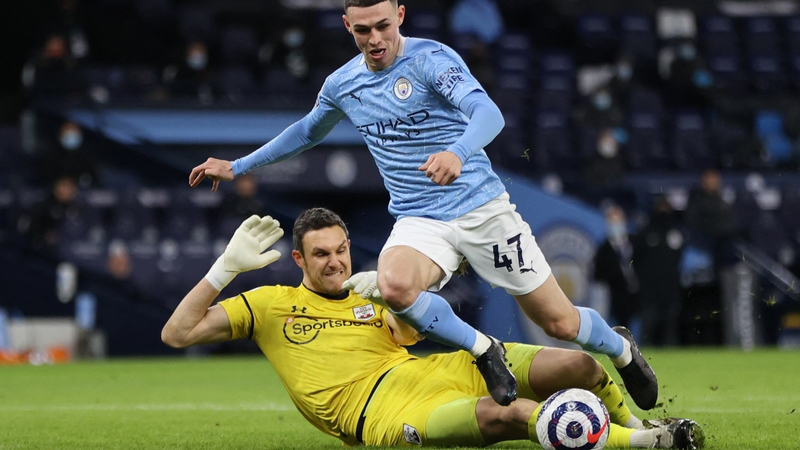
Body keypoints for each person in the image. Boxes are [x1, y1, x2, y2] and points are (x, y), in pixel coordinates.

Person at [188, 0, 658, 410]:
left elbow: (488, 114)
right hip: (420, 218)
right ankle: (484, 349)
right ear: (347, 26)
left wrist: (458, 152)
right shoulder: (343, 83)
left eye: (383, 26)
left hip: (482, 211)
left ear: (400, 16)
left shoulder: (432, 60)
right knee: (394, 286)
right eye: (363, 30)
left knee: (560, 322)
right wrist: (239, 165)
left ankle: (620, 349)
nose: (375, 39)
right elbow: (308, 130)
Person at [161, 208, 705, 448]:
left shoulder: (368, 290)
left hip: (434, 370)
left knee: (578, 365)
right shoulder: (270, 305)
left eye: (341, 249)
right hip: (379, 412)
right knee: (510, 414)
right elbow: (177, 334)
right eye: (321, 255)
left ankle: (636, 422)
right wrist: (223, 270)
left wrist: (394, 301)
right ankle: (649, 444)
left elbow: (409, 335)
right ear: (299, 260)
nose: (336, 262)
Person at [633, 196, 683, 346]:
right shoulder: (646, 233)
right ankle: (644, 351)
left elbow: (678, 257)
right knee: (649, 322)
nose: (664, 212)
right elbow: (636, 259)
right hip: (650, 289)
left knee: (671, 324)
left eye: (666, 208)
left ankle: (671, 350)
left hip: (671, 287)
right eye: (661, 208)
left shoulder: (675, 233)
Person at [593, 203, 639, 330]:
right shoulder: (603, 249)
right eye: (612, 222)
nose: (616, 226)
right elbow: (598, 275)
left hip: (638, 295)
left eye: (618, 221)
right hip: (616, 297)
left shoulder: (636, 242)